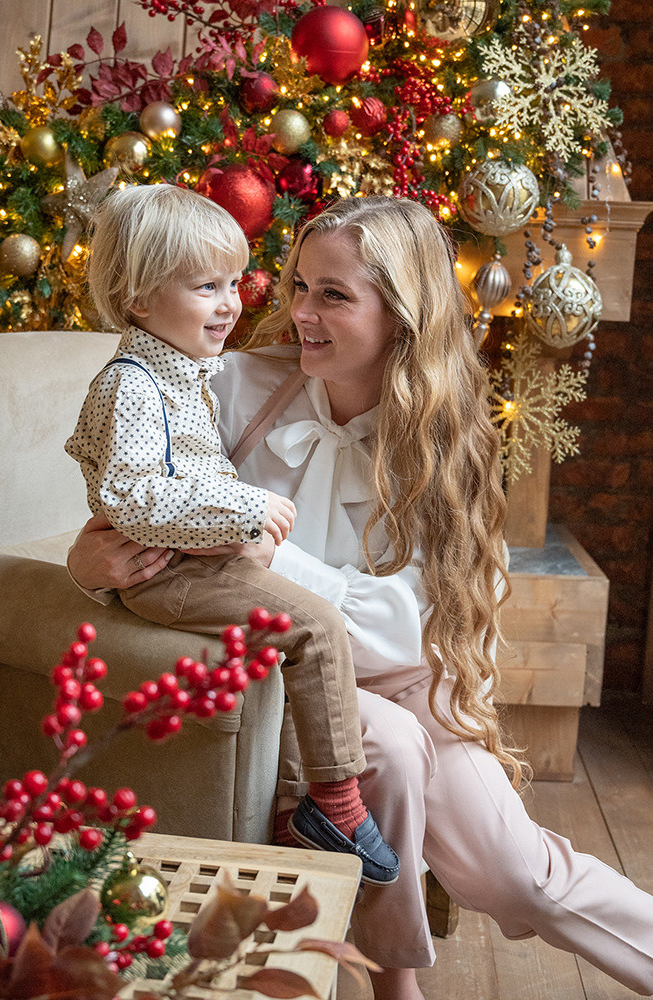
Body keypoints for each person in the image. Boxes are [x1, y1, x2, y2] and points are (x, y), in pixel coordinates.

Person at [68, 195, 653, 1000]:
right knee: (386, 751)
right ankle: (393, 987)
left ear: (404, 315)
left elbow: (404, 632)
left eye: (332, 296)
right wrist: (90, 560)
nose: (298, 314)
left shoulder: (447, 443)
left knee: (516, 874)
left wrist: (270, 553)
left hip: (410, 681)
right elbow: (133, 505)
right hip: (291, 685)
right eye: (299, 286)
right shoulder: (225, 386)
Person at [64, 184, 399, 886]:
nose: (230, 304)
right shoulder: (132, 384)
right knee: (312, 625)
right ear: (138, 301)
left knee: (290, 644)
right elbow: (135, 496)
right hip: (169, 575)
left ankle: (291, 812)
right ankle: (337, 805)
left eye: (232, 283)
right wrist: (243, 510)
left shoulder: (183, 375)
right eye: (205, 287)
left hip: (193, 565)